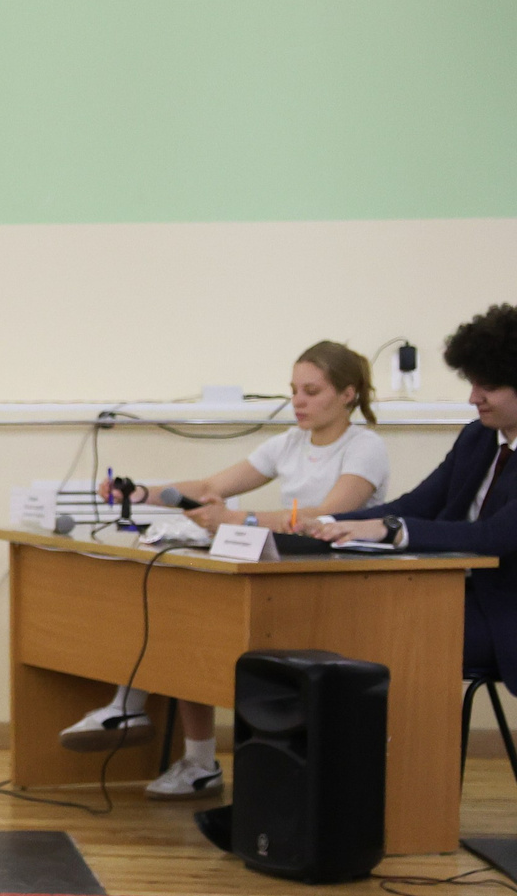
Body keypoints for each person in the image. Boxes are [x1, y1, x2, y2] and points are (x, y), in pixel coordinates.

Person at [62, 341, 391, 797]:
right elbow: (209, 487)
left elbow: (326, 518)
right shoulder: (289, 443)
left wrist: (240, 519)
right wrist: (139, 493)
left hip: (329, 585)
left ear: (348, 394)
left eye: (311, 391)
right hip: (279, 567)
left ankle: (129, 706)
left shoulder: (365, 447)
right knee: (184, 610)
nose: (297, 401)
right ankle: (188, 754)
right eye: (293, 390)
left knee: (200, 623)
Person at [317, 305, 517, 688]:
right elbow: (417, 504)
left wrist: (391, 529)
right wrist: (329, 524)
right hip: (451, 594)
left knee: (386, 641)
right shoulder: (477, 438)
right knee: (347, 623)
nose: (474, 398)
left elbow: (493, 536)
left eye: (488, 387)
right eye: (472, 383)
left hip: (504, 614)